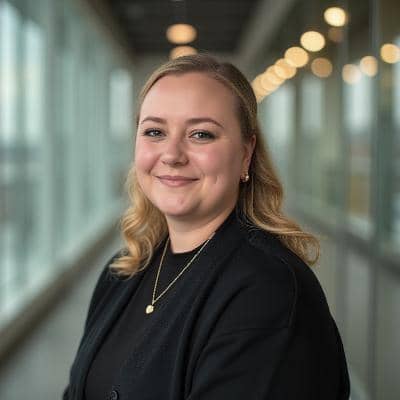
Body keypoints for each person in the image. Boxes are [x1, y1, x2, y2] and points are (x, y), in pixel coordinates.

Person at [63, 53, 350, 400]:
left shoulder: (268, 294)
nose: (172, 154)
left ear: (246, 153)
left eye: (201, 134)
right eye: (154, 131)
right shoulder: (123, 271)